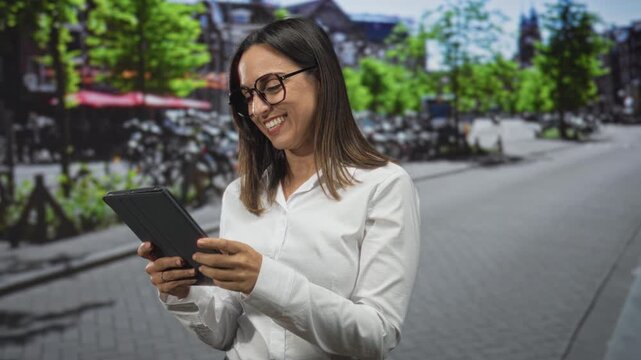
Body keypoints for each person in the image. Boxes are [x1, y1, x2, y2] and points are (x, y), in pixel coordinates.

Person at [137, 17, 421, 359]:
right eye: (247, 96)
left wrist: (264, 280)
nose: (257, 109)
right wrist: (184, 293)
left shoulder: (384, 186)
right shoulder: (240, 194)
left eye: (271, 86)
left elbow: (375, 334)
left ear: (321, 77)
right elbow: (223, 333)